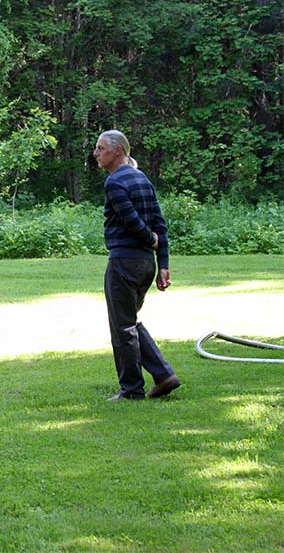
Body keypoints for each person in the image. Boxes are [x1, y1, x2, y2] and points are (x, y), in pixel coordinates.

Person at [93, 129, 180, 401]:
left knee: (122, 327)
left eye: (101, 148)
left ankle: (131, 390)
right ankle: (164, 376)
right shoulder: (143, 179)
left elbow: (132, 221)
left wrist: (152, 240)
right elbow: (159, 221)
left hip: (125, 261)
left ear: (118, 151)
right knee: (128, 321)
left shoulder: (115, 182)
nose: (96, 153)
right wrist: (162, 262)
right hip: (145, 265)